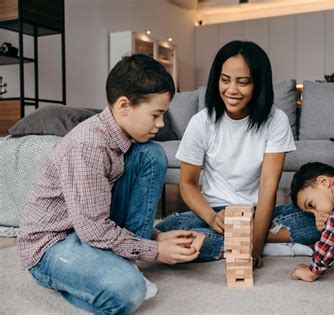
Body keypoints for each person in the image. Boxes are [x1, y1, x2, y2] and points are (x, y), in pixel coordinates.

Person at [17, 54, 200, 314]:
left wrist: (152, 235)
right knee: (128, 290)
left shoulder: (124, 139)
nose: (160, 124)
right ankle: (88, 278)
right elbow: (93, 229)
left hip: (88, 229)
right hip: (53, 243)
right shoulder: (89, 146)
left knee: (151, 154)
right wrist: (156, 250)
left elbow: (103, 214)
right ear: (124, 105)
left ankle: (121, 262)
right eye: (156, 114)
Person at [156, 40, 320, 267]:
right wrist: (212, 218)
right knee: (167, 229)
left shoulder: (276, 120)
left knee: (320, 221)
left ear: (258, 84)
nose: (231, 90)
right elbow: (188, 184)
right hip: (215, 214)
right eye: (225, 80)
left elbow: (268, 188)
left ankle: (234, 244)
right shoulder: (201, 122)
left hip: (258, 213)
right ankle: (273, 243)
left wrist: (254, 247)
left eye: (243, 82)